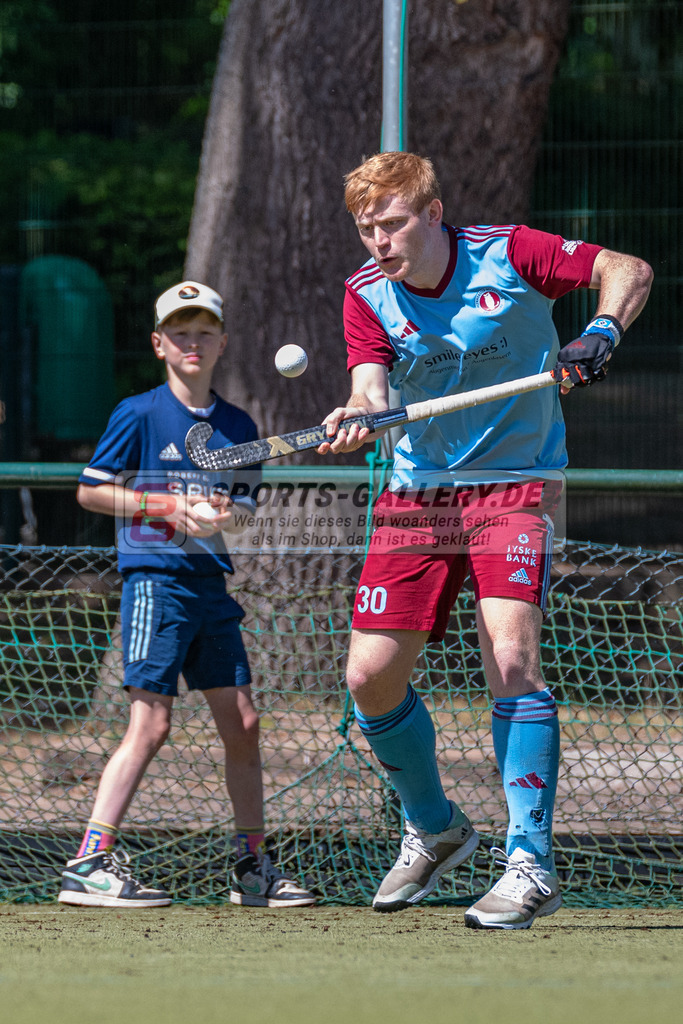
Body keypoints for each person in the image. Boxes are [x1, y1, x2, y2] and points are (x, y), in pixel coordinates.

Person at [319, 152, 652, 929]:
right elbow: (369, 387)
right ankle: (435, 828)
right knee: (368, 677)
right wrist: (354, 412)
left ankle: (529, 863)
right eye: (367, 228)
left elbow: (626, 268)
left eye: (392, 223)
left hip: (514, 483)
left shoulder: (508, 253)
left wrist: (598, 332)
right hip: (416, 493)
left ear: (432, 215)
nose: (379, 241)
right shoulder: (366, 295)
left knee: (508, 659)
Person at [58, 281, 315, 909]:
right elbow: (92, 491)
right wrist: (165, 504)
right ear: (158, 343)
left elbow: (245, 512)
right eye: (179, 331)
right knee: (151, 724)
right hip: (155, 581)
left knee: (245, 723)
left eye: (203, 331)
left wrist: (222, 514)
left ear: (223, 342)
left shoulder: (238, 426)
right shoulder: (139, 414)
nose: (192, 341)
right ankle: (89, 862)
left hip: (209, 588)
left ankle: (251, 868)